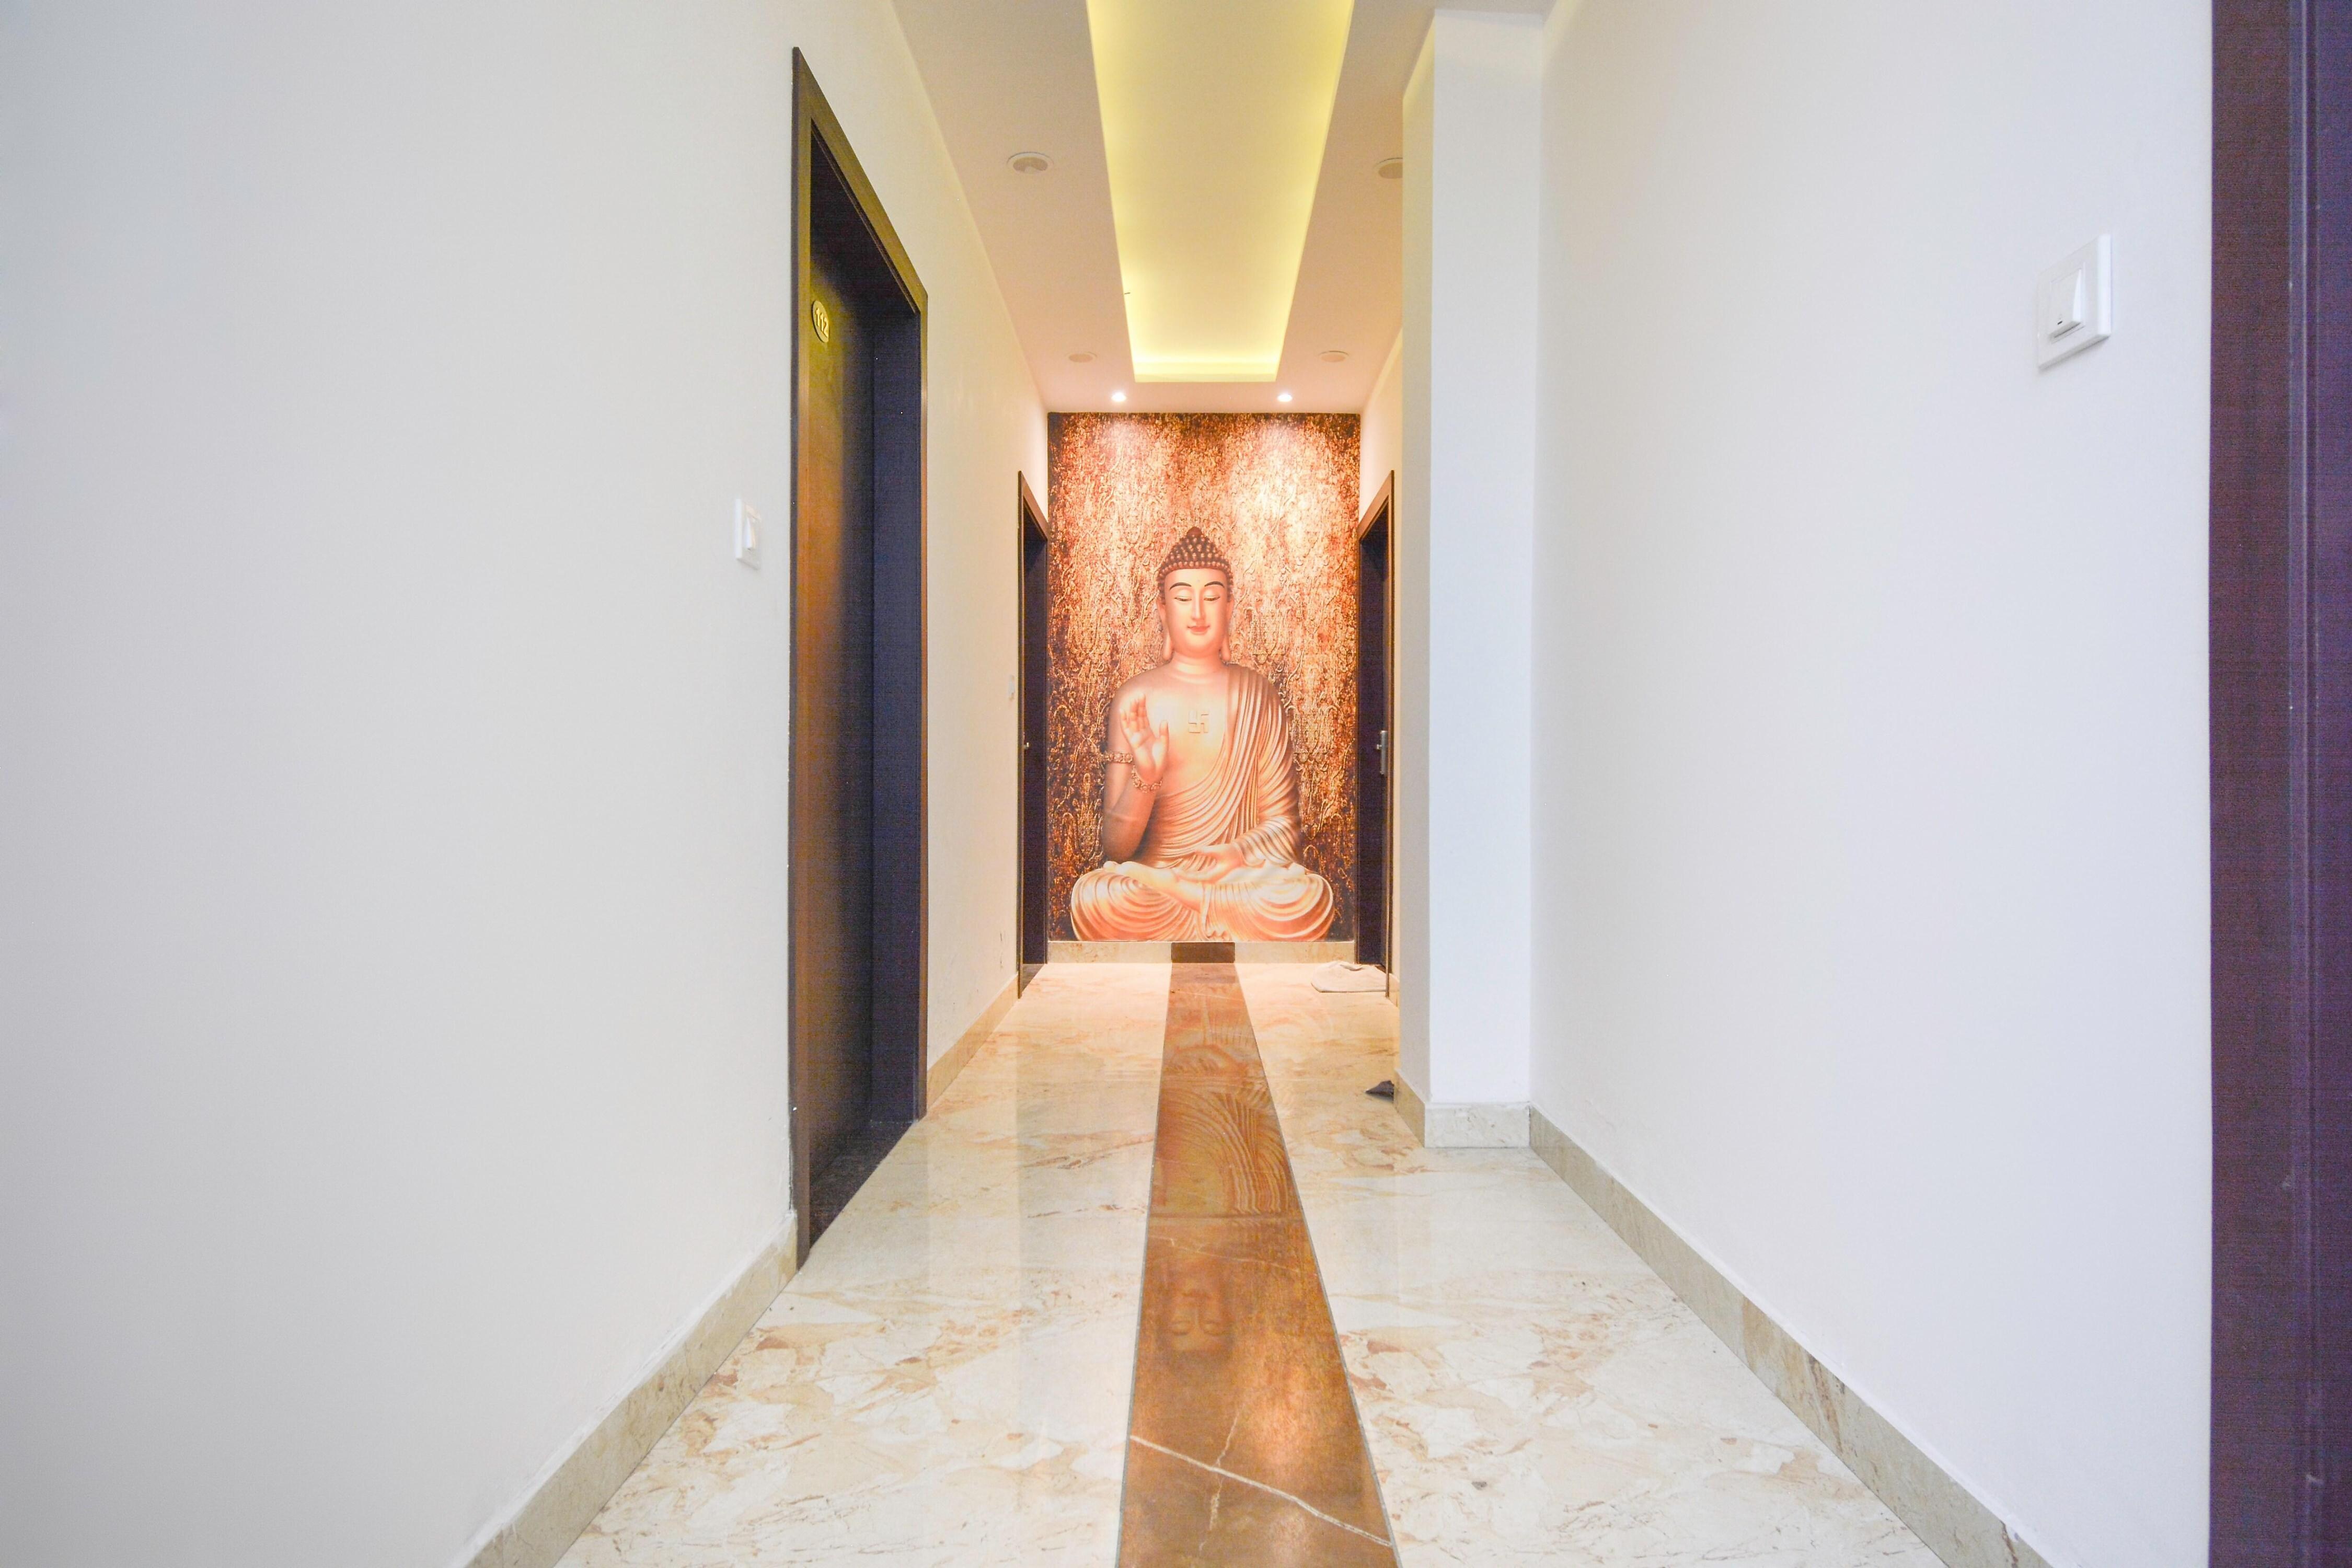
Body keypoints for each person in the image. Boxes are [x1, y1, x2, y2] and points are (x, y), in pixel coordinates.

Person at [1069, 526, 1336, 942]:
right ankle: (1193, 899)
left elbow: (1285, 828)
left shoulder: (1257, 694)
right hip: (1155, 879)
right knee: (1097, 897)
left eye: (1211, 598)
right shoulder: (1135, 697)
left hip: (1235, 880)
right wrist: (1146, 777)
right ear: (1162, 609)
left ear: (1229, 607)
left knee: (1309, 898)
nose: (1198, 613)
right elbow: (1117, 848)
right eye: (1182, 598)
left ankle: (1194, 897)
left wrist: (1237, 853)